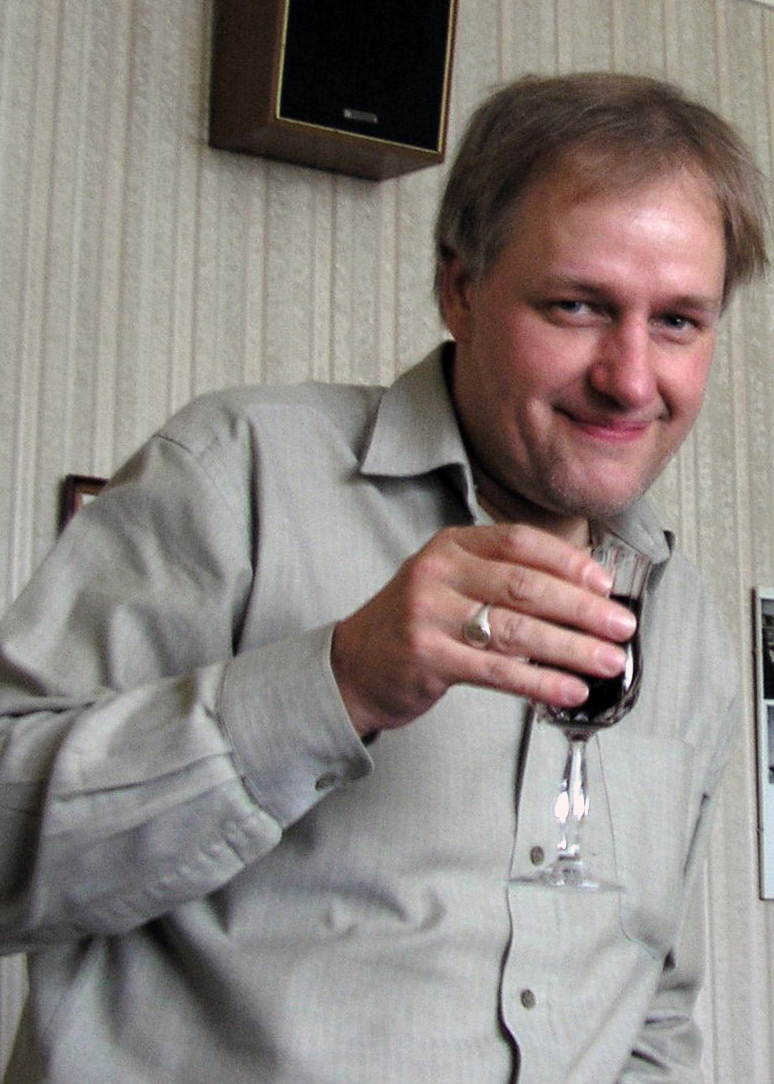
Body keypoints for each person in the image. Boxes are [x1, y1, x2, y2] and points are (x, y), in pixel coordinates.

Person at [0, 71, 768, 1084]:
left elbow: (649, 1000)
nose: (629, 379)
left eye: (678, 322)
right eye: (578, 306)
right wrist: (338, 681)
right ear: (461, 289)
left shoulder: (689, 626)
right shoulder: (237, 471)